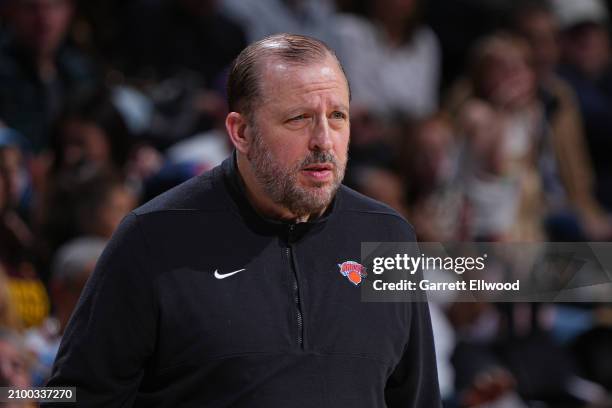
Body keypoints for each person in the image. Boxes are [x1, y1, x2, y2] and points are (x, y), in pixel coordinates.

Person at [43, 33, 440, 406]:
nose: (324, 139)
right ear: (241, 131)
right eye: (299, 118)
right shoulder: (152, 238)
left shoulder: (389, 237)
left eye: (337, 116)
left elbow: (417, 399)